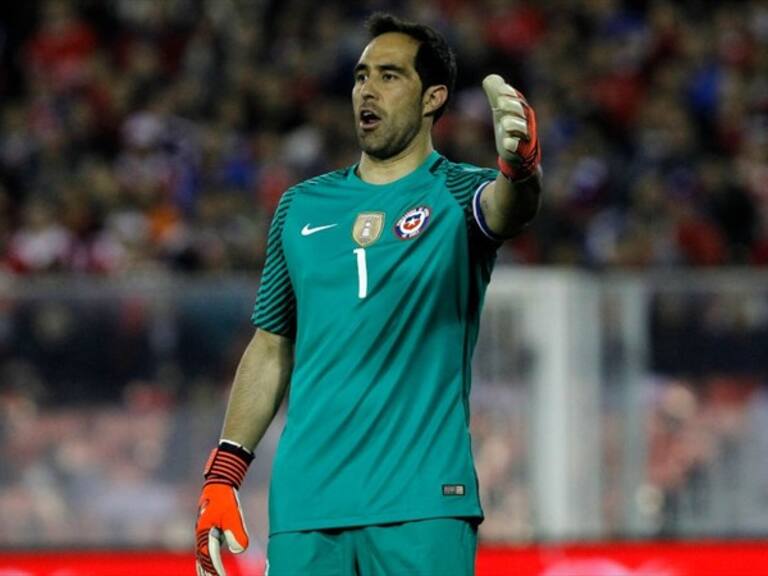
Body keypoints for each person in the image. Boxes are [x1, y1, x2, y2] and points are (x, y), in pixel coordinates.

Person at [195, 12, 541, 576]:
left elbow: (509, 207)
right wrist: (223, 474)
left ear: (433, 97)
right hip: (307, 507)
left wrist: (522, 167)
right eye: (360, 76)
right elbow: (270, 346)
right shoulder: (301, 207)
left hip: (422, 502)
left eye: (388, 75)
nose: (366, 90)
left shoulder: (459, 195)